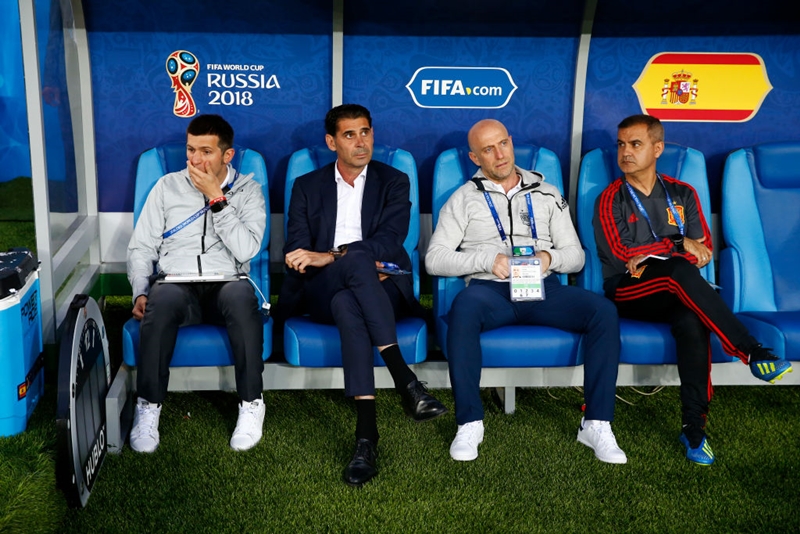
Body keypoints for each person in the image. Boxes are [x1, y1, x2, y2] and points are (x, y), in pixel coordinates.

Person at [593, 114, 793, 466]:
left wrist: (665, 249)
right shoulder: (611, 198)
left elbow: (704, 250)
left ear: (657, 148)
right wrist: (676, 243)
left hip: (676, 288)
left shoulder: (682, 193)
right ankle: (751, 350)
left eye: (635, 144)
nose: (625, 152)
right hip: (627, 290)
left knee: (691, 318)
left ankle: (694, 428)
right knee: (678, 271)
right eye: (621, 145)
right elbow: (623, 255)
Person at [426, 119, 627, 464]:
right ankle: (469, 423)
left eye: (503, 143)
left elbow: (576, 256)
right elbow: (434, 259)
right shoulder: (463, 199)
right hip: (490, 291)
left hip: (543, 288)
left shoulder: (547, 193)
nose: (499, 154)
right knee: (464, 308)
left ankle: (596, 423)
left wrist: (549, 258)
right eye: (488, 149)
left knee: (603, 312)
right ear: (475, 158)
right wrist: (487, 260)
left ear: (511, 141)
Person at [274, 104, 447, 487]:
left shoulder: (394, 180)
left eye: (365, 132)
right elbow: (297, 248)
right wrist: (335, 259)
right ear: (331, 142)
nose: (360, 142)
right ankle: (405, 381)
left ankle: (366, 438)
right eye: (349, 135)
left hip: (383, 285)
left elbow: (390, 241)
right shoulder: (307, 186)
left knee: (349, 300)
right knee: (352, 267)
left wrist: (334, 255)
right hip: (322, 287)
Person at [127, 114, 267, 453]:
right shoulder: (167, 187)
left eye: (206, 151)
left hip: (227, 282)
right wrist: (140, 291)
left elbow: (247, 249)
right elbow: (142, 247)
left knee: (240, 296)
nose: (195, 159)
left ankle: (251, 403)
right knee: (162, 300)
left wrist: (217, 199)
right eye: (191, 150)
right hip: (177, 283)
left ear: (227, 155)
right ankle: (148, 405)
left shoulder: (249, 191)